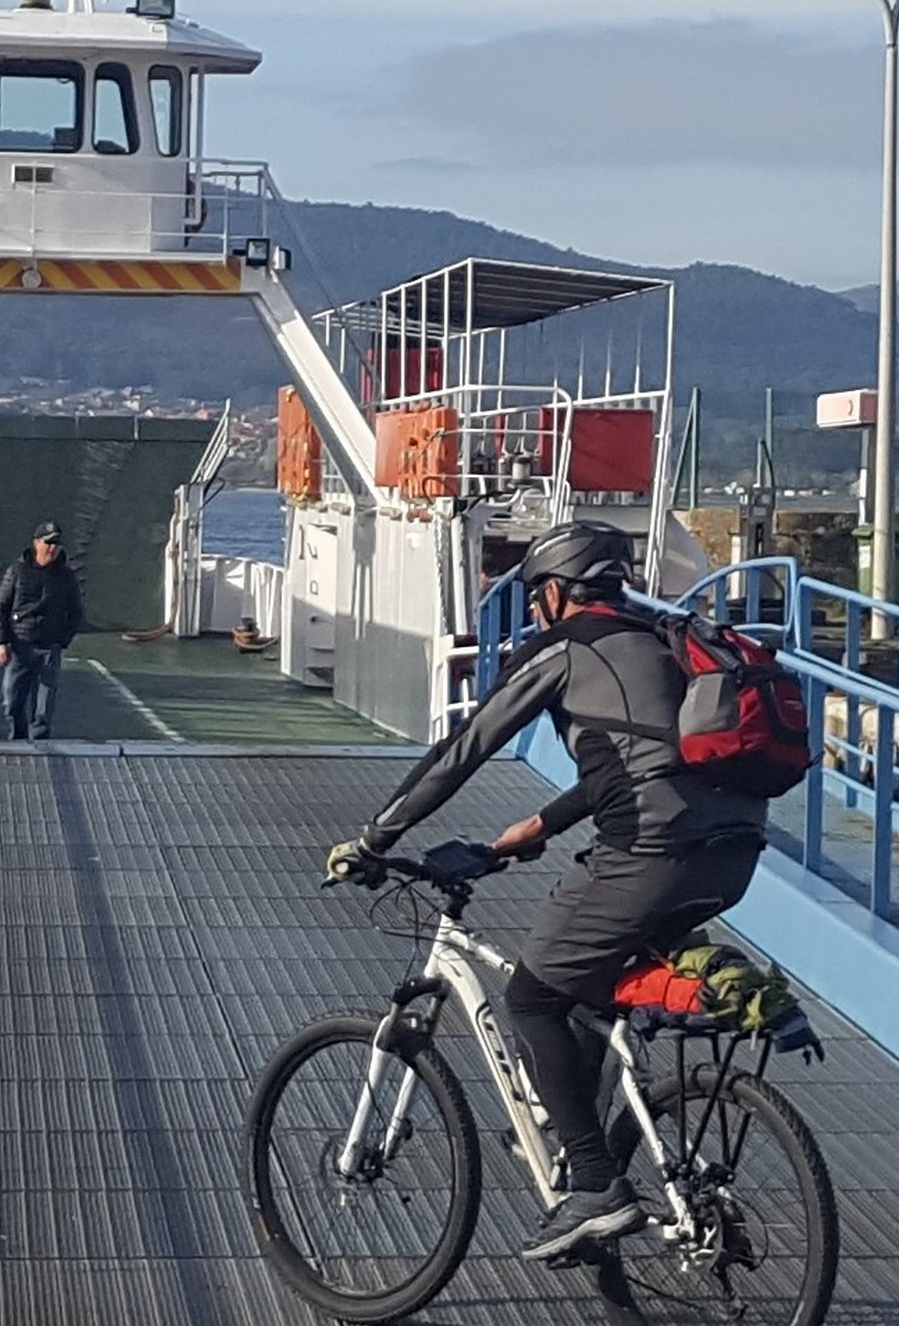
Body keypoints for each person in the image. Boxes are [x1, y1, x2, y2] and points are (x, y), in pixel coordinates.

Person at [327, 521, 771, 1260]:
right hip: (733, 853)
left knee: (533, 995)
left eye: (540, 596)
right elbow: (645, 755)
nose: (537, 609)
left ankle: (596, 1187)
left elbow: (466, 748)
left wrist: (377, 837)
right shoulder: (661, 637)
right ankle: (587, 1146)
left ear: (555, 594)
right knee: (591, 992)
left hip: (652, 853)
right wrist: (541, 821)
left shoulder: (565, 646)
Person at [0, 522, 84, 741]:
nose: (53, 548)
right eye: (48, 542)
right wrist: (1, 642)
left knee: (42, 710)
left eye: (57, 543)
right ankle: (18, 742)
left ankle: (41, 752)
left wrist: (63, 638)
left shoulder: (65, 576)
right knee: (12, 703)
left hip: (49, 649)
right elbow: (1, 606)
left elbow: (76, 611)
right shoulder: (17, 571)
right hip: (20, 646)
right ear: (36, 543)